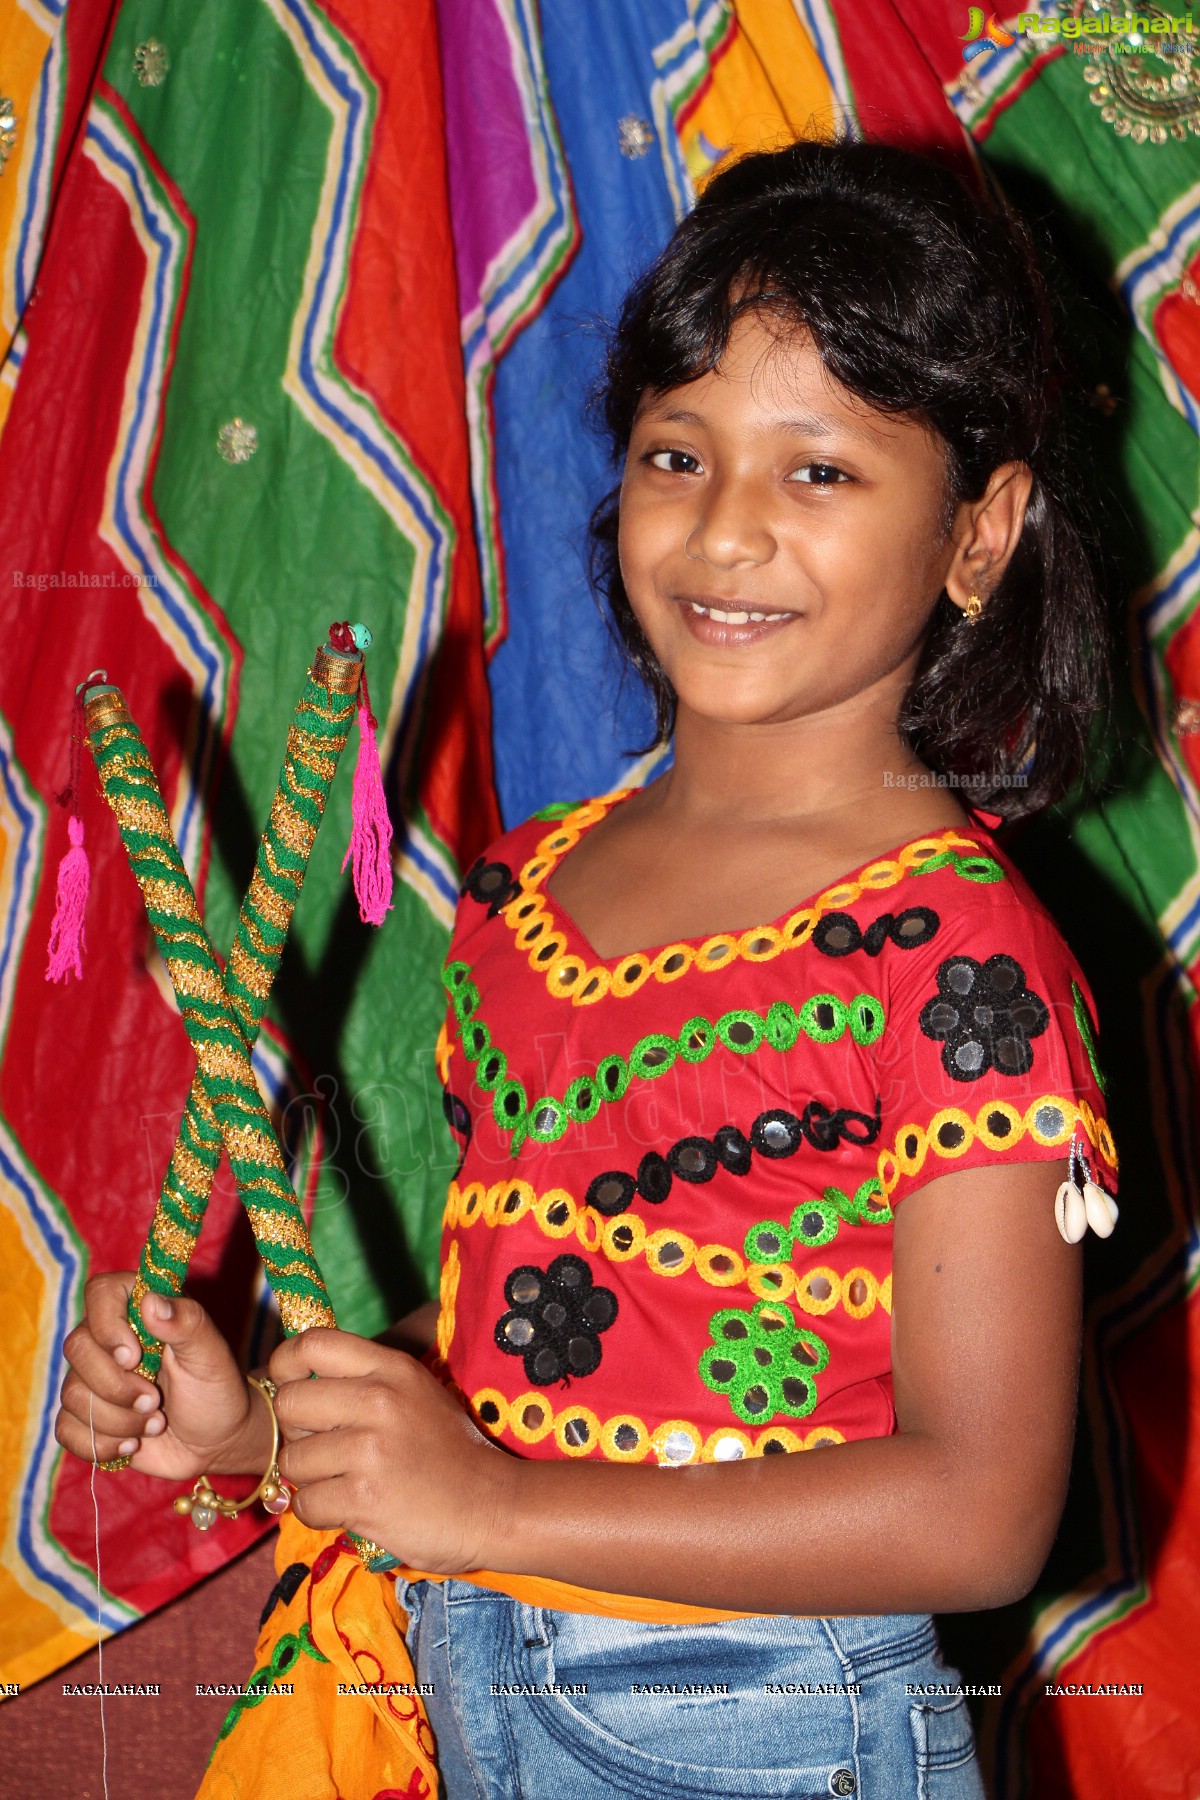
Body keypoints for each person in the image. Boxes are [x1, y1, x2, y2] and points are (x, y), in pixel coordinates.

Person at [55, 135, 1119, 1799]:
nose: (729, 530)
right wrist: (268, 1426)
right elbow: (532, 1326)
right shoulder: (536, 884)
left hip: (777, 1726)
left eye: (821, 470)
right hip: (481, 1678)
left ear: (978, 535)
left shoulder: (960, 955)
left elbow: (981, 1513)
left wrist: (487, 1507)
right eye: (677, 454)